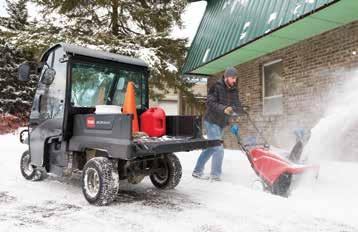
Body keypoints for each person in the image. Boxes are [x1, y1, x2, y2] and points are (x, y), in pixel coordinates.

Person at [192, 67, 241, 181]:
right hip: (212, 121)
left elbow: (236, 105)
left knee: (211, 148)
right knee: (218, 148)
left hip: (222, 123)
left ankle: (197, 171)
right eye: (232, 78)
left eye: (235, 78)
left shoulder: (234, 89)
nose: (234, 80)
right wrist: (224, 109)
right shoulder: (216, 87)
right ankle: (215, 175)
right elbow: (210, 103)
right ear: (226, 77)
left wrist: (240, 112)